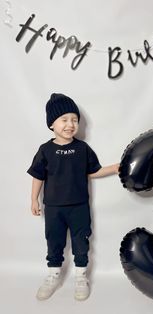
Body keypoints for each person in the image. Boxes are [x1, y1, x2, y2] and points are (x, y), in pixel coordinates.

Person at [27, 93, 119, 301]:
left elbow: (92, 172)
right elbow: (37, 176)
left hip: (79, 207)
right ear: (52, 124)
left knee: (81, 241)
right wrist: (33, 199)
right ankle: (53, 275)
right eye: (64, 120)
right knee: (54, 241)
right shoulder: (45, 150)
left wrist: (113, 168)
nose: (70, 124)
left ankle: (80, 276)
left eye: (74, 120)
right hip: (53, 208)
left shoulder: (82, 148)